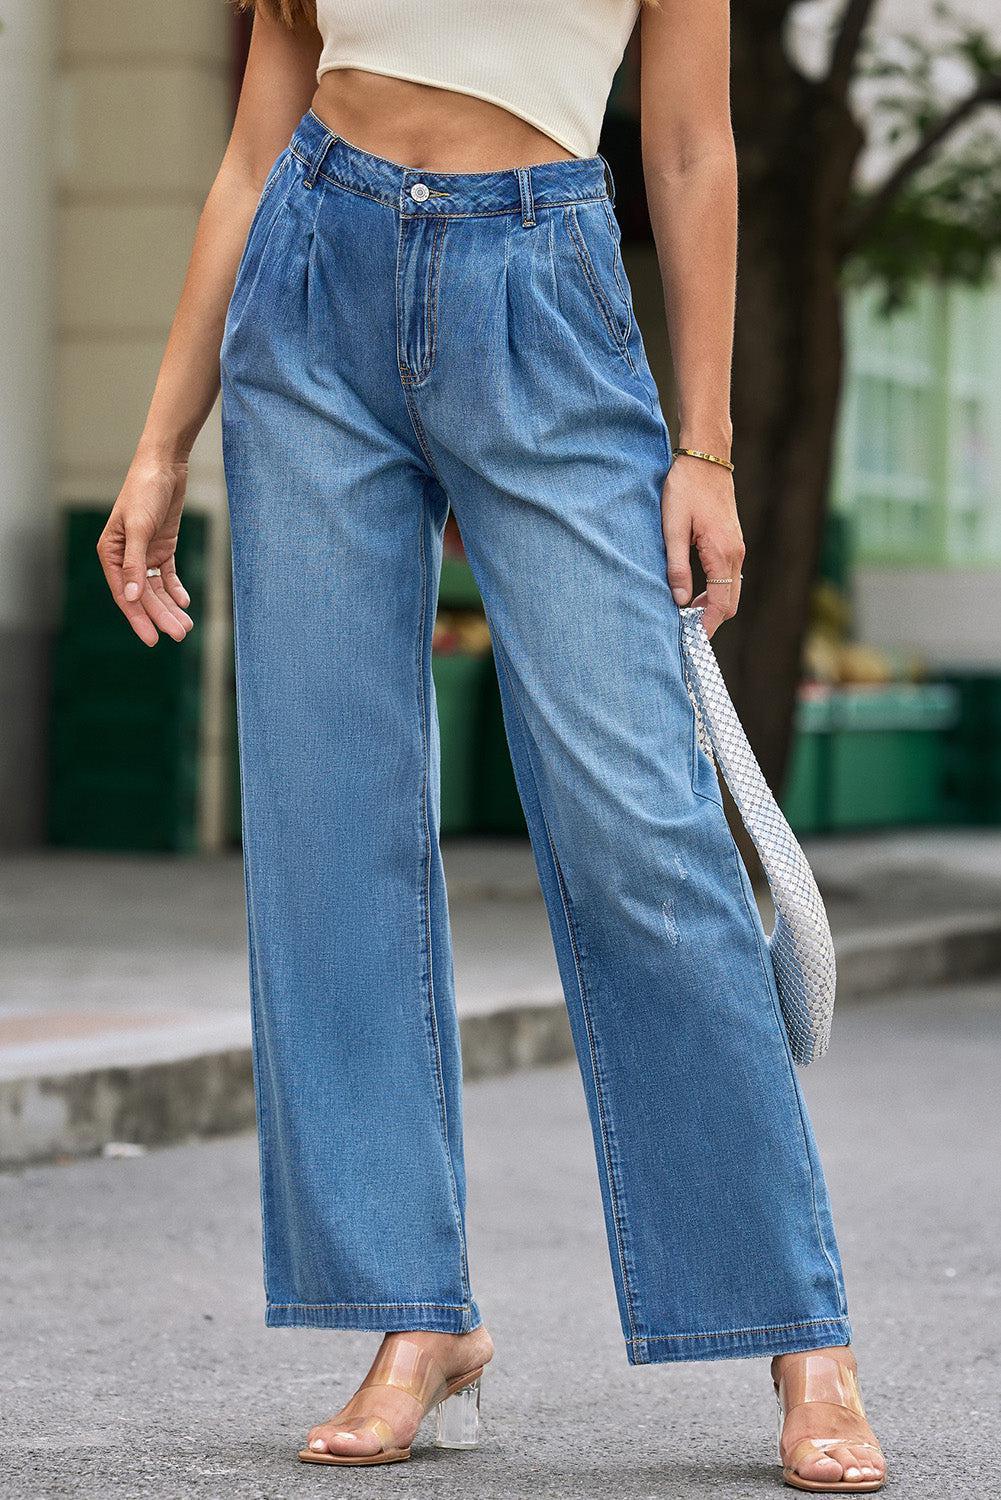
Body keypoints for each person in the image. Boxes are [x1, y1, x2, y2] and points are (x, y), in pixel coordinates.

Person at [97, 0, 887, 1489]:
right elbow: (253, 147)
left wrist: (703, 445)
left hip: (542, 282)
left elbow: (688, 144)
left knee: (641, 833)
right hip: (311, 285)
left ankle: (800, 1328)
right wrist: (158, 441)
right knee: (329, 827)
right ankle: (413, 1315)